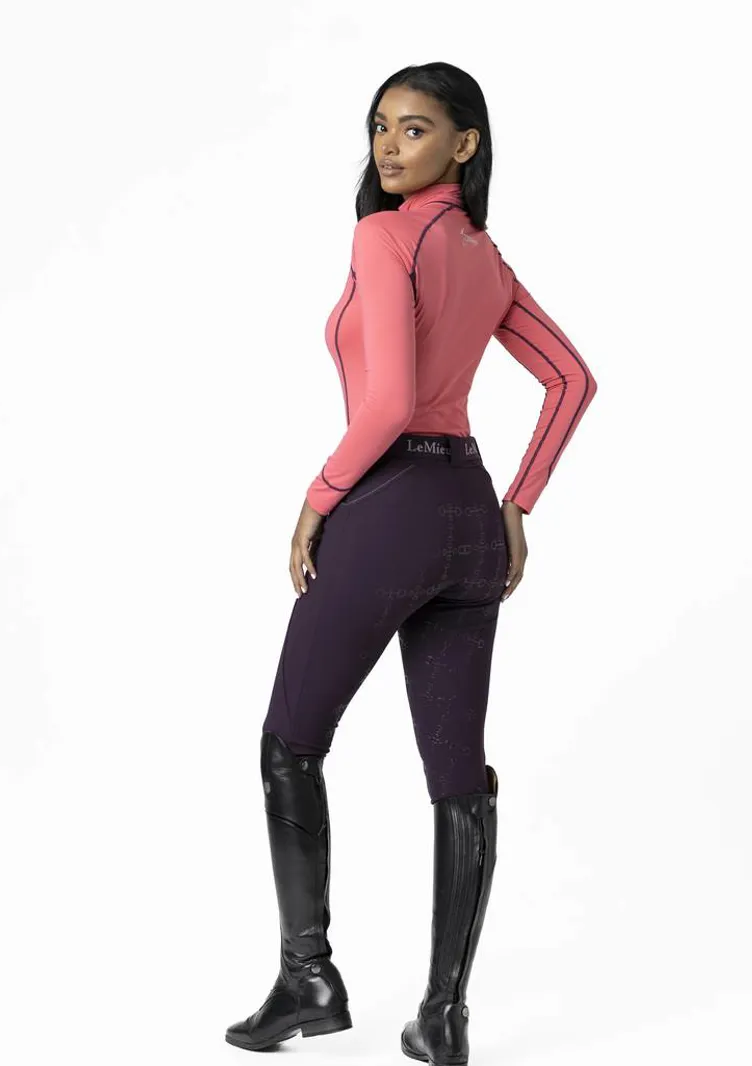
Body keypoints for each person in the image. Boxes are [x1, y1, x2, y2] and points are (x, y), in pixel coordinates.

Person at [225, 61, 598, 1064]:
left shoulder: (385, 236)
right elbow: (570, 379)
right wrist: (516, 503)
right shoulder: (484, 256)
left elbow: (388, 403)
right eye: (380, 127)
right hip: (468, 514)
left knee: (290, 741)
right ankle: (444, 1015)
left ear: (464, 144)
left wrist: (317, 499)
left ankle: (308, 977)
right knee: (456, 774)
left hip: (388, 508)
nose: (389, 146)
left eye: (415, 128)